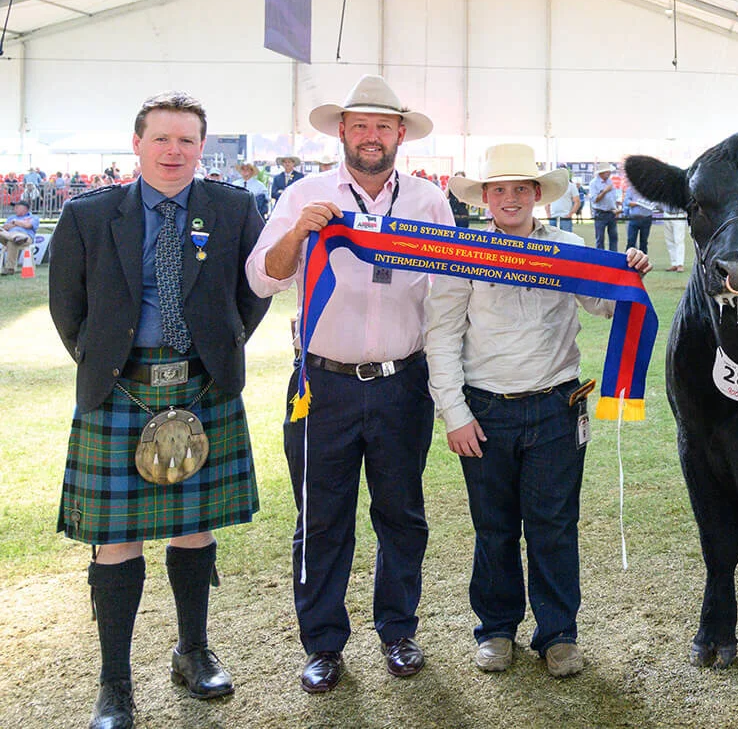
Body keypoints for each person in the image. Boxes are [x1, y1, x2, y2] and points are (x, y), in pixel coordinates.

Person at [49, 93, 271, 729]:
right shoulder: (89, 214)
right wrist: (106, 361)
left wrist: (221, 346)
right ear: (138, 144)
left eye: (187, 141)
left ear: (202, 148)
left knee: (194, 526)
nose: (174, 152)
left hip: (201, 387)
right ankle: (114, 684)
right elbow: (67, 305)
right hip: (120, 389)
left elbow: (254, 291)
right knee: (115, 538)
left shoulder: (233, 208)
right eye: (162, 139)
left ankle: (192, 653)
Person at [246, 75, 454, 695]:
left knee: (402, 514)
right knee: (321, 518)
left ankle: (399, 630)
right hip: (322, 385)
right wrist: (298, 233)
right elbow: (262, 278)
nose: (370, 136)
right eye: (359, 125)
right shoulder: (303, 194)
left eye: (382, 126)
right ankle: (323, 644)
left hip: (402, 382)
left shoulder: (428, 201)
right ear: (341, 130)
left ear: (399, 135)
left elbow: (452, 289)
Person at [425, 145, 650, 680]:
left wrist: (629, 273)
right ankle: (496, 628)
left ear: (536, 195)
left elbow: (604, 303)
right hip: (485, 409)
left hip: (557, 406)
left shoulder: (569, 248)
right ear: (484, 197)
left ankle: (558, 633)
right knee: (494, 527)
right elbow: (441, 336)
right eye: (499, 189)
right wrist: (454, 413)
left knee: (554, 525)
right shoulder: (463, 254)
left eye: (520, 189)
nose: (510, 198)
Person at [587, 164, 621, 252]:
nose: (609, 173)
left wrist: (616, 208)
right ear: (602, 173)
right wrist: (605, 191)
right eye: (608, 172)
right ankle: (600, 257)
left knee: (614, 237)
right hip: (600, 213)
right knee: (600, 238)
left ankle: (613, 256)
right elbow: (595, 200)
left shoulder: (610, 182)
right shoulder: (593, 183)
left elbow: (613, 198)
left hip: (611, 213)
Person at [1, 199, 39, 274]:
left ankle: (10, 269)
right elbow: (5, 227)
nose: (15, 209)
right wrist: (20, 223)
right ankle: (15, 238)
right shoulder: (11, 217)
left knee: (12, 242)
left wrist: (15, 222)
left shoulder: (33, 217)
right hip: (10, 236)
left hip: (25, 237)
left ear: (25, 209)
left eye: (17, 207)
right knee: (9, 237)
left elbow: (28, 225)